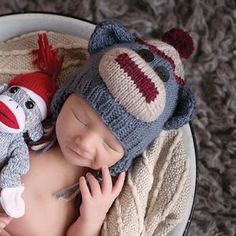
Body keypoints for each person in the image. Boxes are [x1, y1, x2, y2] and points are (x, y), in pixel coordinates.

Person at [0, 20, 196, 236]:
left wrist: (91, 219)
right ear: (63, 99)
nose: (85, 142)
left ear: (124, 158)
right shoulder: (33, 131)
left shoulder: (97, 191)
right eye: (80, 118)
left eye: (109, 144)